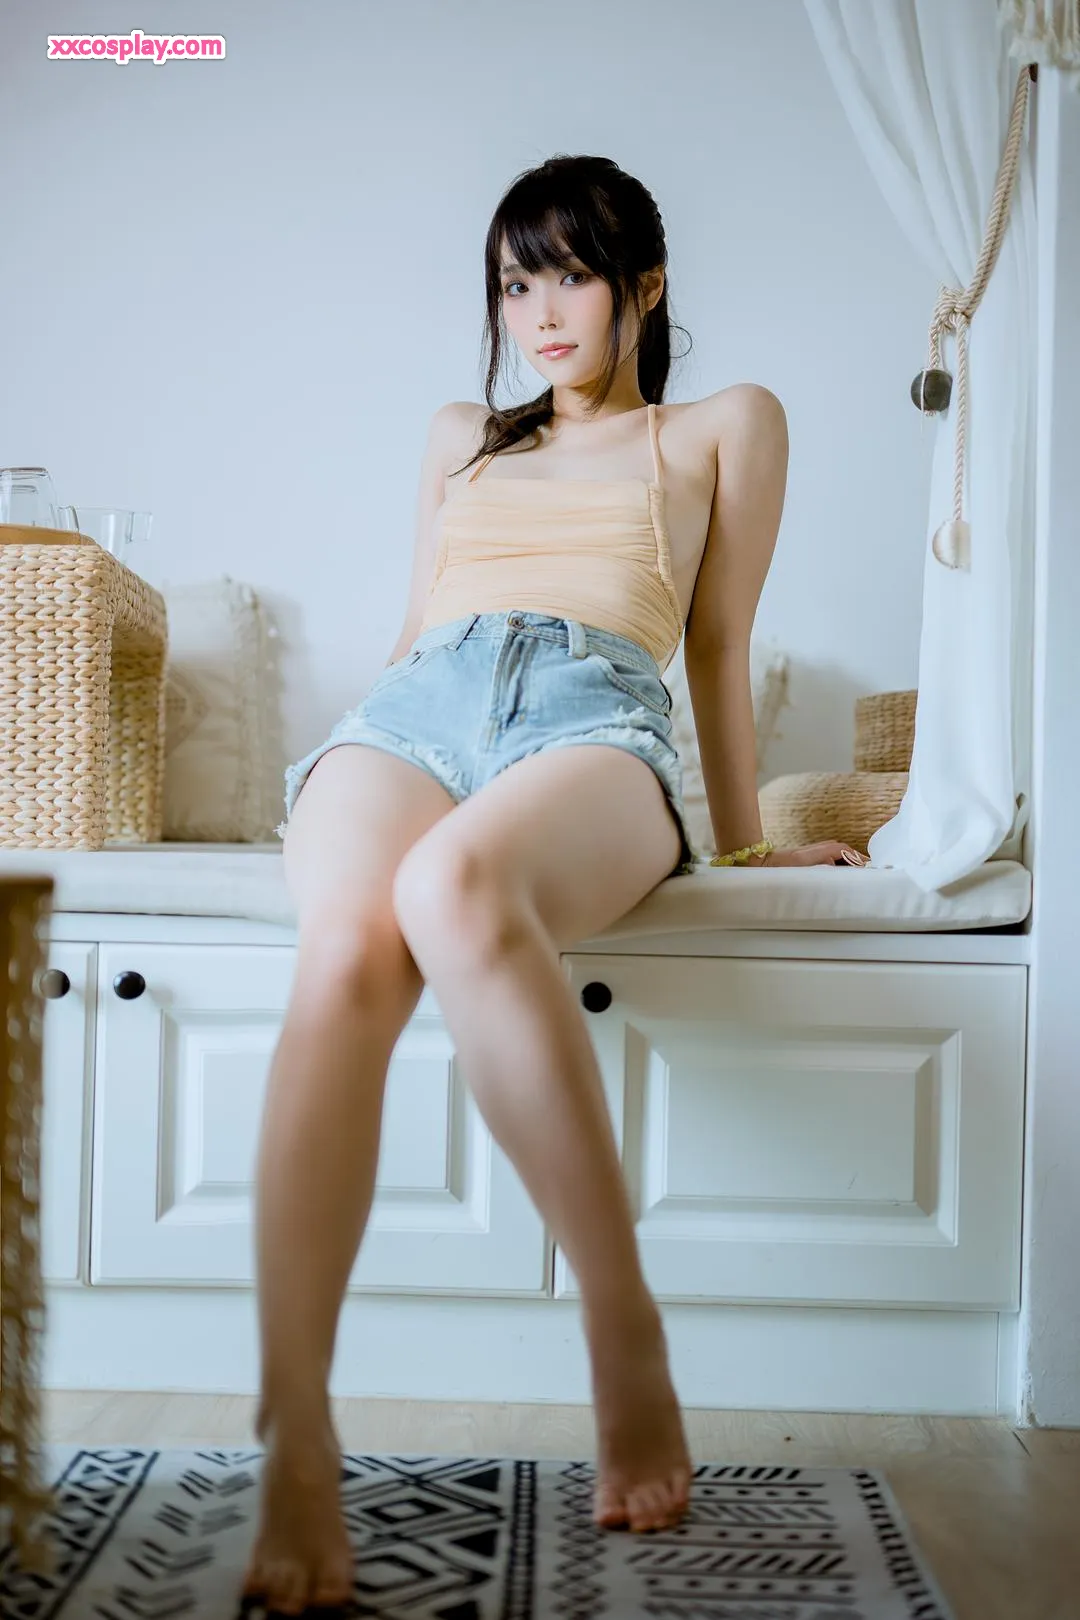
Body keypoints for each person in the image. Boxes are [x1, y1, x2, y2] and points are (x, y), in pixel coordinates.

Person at [242, 152, 867, 1615]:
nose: (539, 312)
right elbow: (414, 630)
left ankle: (620, 1330)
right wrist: (364, 751)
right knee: (348, 944)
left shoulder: (723, 425)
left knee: (456, 891)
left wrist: (744, 845)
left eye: (570, 275)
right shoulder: (461, 435)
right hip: (416, 710)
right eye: (515, 283)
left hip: (593, 713)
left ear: (645, 284)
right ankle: (297, 1434)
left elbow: (717, 646)